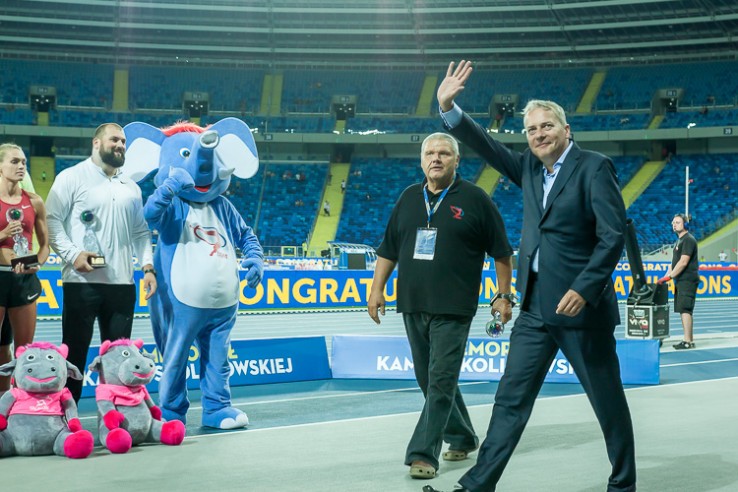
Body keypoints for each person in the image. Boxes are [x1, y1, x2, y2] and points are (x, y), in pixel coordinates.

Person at [426, 60, 636, 492]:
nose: (539, 135)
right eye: (532, 130)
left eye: (547, 126)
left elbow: (612, 235)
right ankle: (476, 486)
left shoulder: (594, 167)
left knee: (607, 403)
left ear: (566, 130)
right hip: (535, 308)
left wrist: (585, 287)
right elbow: (485, 145)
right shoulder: (528, 168)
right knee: (510, 400)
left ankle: (622, 485)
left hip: (581, 310)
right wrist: (449, 109)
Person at [368, 132, 514, 480]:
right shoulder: (408, 197)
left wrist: (504, 295)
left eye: (444, 153)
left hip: (454, 307)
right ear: (421, 161)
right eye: (430, 153)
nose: (436, 158)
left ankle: (423, 454)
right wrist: (377, 289)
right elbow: (388, 249)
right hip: (412, 303)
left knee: (441, 380)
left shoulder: (476, 199)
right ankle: (462, 435)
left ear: (456, 160)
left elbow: (501, 252)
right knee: (428, 379)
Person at [45, 123, 157, 402]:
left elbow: (140, 232)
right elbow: (51, 221)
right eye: (114, 139)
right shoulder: (71, 177)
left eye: (123, 141)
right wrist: (73, 254)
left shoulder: (131, 187)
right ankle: (66, 414)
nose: (120, 145)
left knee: (120, 357)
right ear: (96, 143)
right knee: (74, 353)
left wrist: (147, 267)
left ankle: (119, 414)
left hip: (122, 285)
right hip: (81, 282)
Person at [0, 144, 50, 394]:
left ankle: (21, 401)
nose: (21, 166)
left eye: (23, 162)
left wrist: (36, 263)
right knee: (1, 348)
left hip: (24, 280)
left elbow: (45, 245)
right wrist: (3, 234)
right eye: (14, 161)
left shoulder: (35, 201)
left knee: (24, 350)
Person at [658, 213, 699, 350]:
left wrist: (669, 277)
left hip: (687, 280)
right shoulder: (679, 241)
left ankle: (688, 341)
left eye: (677, 222)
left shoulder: (688, 240)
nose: (674, 225)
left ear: (685, 224)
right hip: (681, 281)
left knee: (685, 309)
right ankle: (687, 339)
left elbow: (683, 262)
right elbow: (673, 264)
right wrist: (665, 277)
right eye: (673, 223)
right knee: (683, 309)